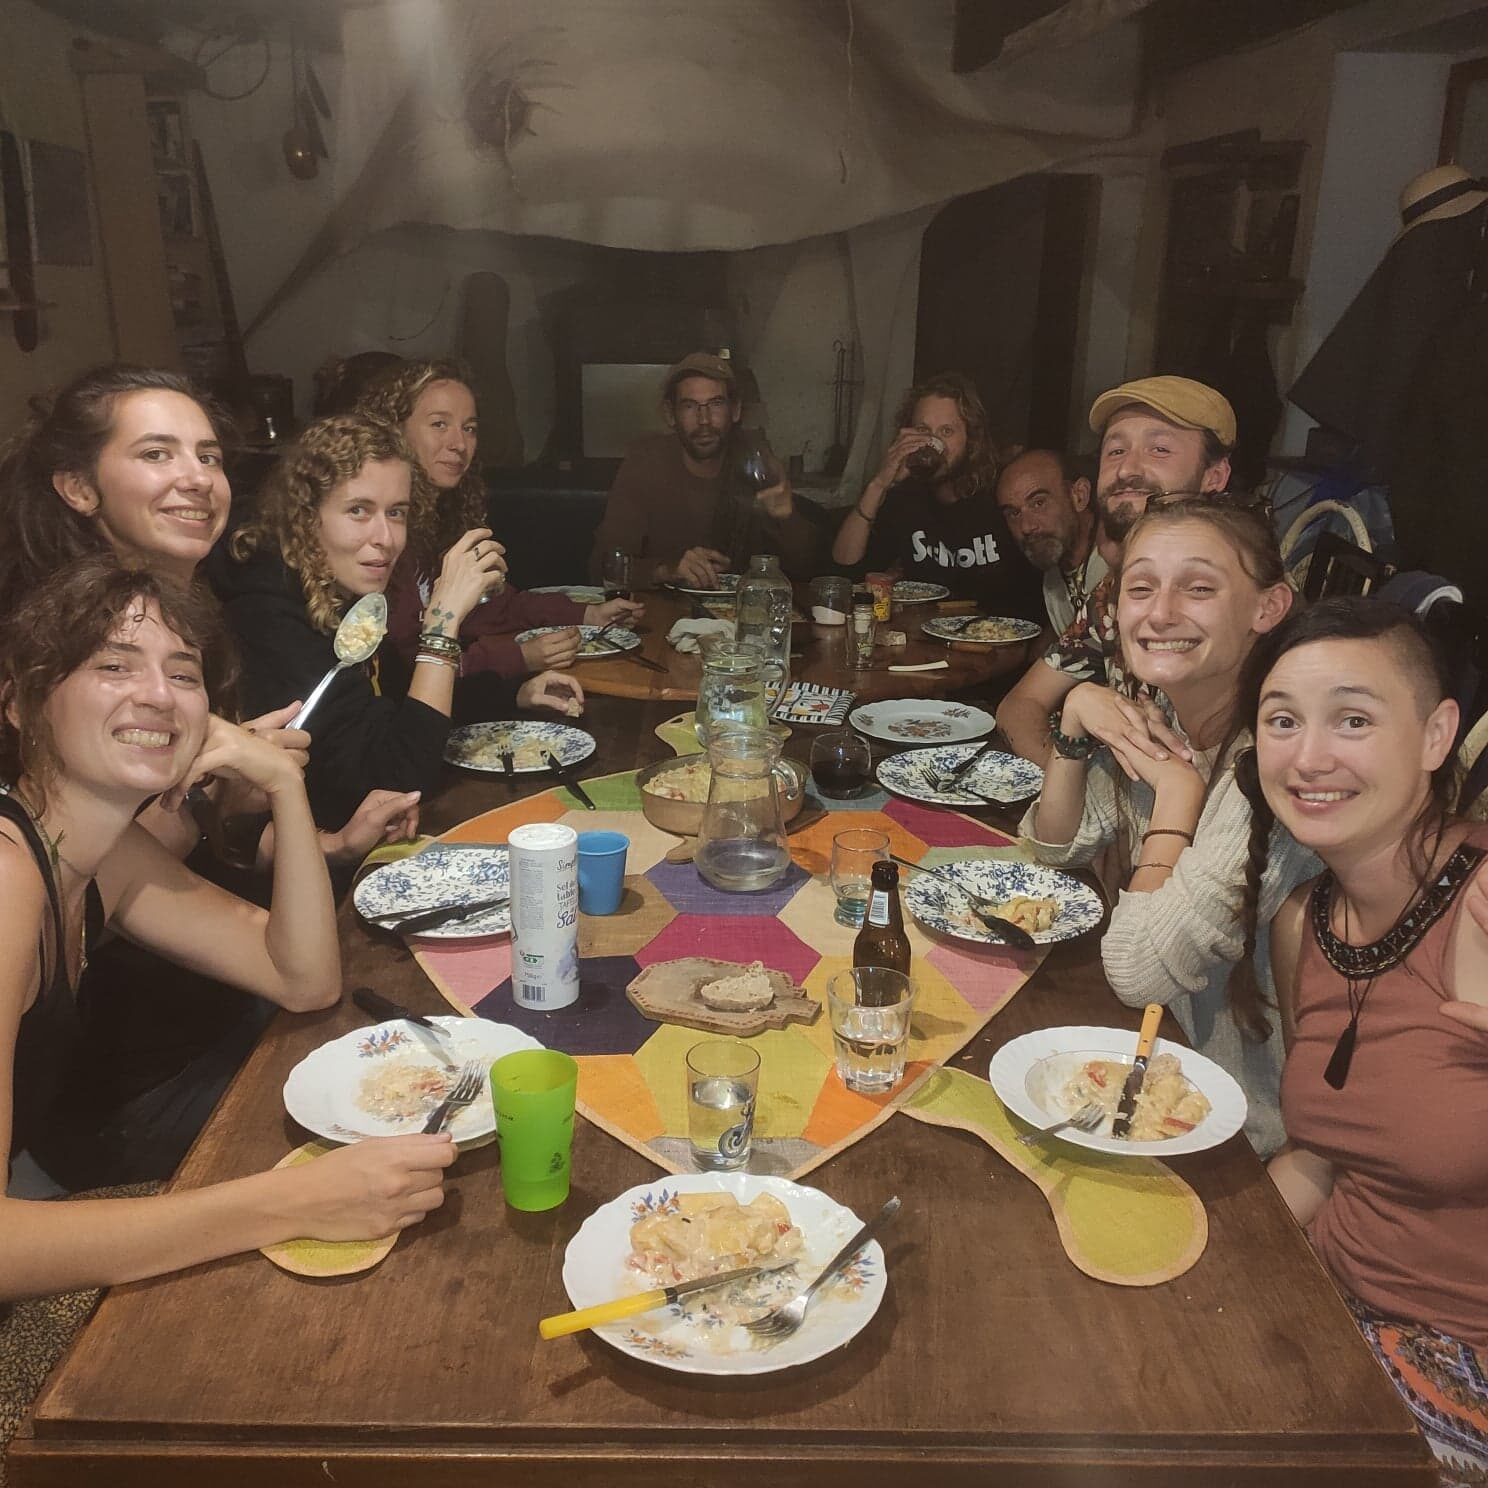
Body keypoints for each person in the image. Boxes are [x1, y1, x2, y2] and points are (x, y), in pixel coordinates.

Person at [0, 560, 455, 1297]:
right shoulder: (6, 876)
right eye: (114, 665)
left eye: (183, 673)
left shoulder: (103, 851)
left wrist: (282, 784)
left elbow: (303, 979)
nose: (158, 694)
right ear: (22, 702)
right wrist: (292, 1204)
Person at [1244, 598, 1488, 1485]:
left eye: (1353, 720)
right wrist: (1222, 1252)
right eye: (1282, 721)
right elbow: (1322, 1152)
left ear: (1436, 735)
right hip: (1333, 1308)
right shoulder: (1302, 923)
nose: (1309, 757)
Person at [1021, 500, 1314, 1156]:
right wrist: (1074, 717)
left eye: (1199, 588)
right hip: (1159, 1066)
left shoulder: (1275, 770)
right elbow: (1053, 846)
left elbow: (1137, 971)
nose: (1159, 613)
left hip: (1232, 1131)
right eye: (1141, 587)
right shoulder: (1169, 716)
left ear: (1267, 608)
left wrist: (1178, 794)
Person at [213, 414, 582, 830]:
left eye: (396, 513)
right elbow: (395, 778)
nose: (386, 538)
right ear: (306, 517)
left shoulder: (341, 592)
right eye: (358, 511)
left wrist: (511, 694)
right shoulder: (269, 616)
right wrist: (442, 623)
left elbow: (396, 706)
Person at [998, 376, 1237, 765]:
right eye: (1116, 450)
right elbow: (1018, 706)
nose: (1127, 468)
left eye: (1159, 449)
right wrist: (1071, 777)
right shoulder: (1114, 588)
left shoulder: (1240, 598)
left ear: (1215, 476)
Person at [358, 358, 642, 683]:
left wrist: (588, 613)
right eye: (439, 424)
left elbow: (495, 608)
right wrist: (518, 657)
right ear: (394, 429)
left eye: (469, 428)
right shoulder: (382, 531)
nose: (459, 444)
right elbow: (407, 666)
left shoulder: (445, 517)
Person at [588, 352, 818, 589]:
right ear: (670, 414)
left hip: (742, 608)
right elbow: (603, 569)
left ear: (735, 410)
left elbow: (808, 571)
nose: (704, 420)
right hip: (661, 609)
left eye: (716, 404)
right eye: (690, 406)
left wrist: (788, 519)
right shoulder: (645, 463)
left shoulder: (755, 463)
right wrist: (666, 570)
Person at [829, 372, 1043, 622]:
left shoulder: (1000, 493)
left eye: (947, 431)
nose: (933, 442)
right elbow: (845, 570)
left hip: (996, 636)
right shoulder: (905, 497)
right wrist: (879, 484)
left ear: (971, 440)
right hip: (924, 636)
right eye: (923, 430)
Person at [994, 448, 1106, 632]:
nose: (1026, 526)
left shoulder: (1120, 563)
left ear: (1080, 495)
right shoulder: (1053, 577)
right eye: (1014, 513)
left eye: (1038, 503)